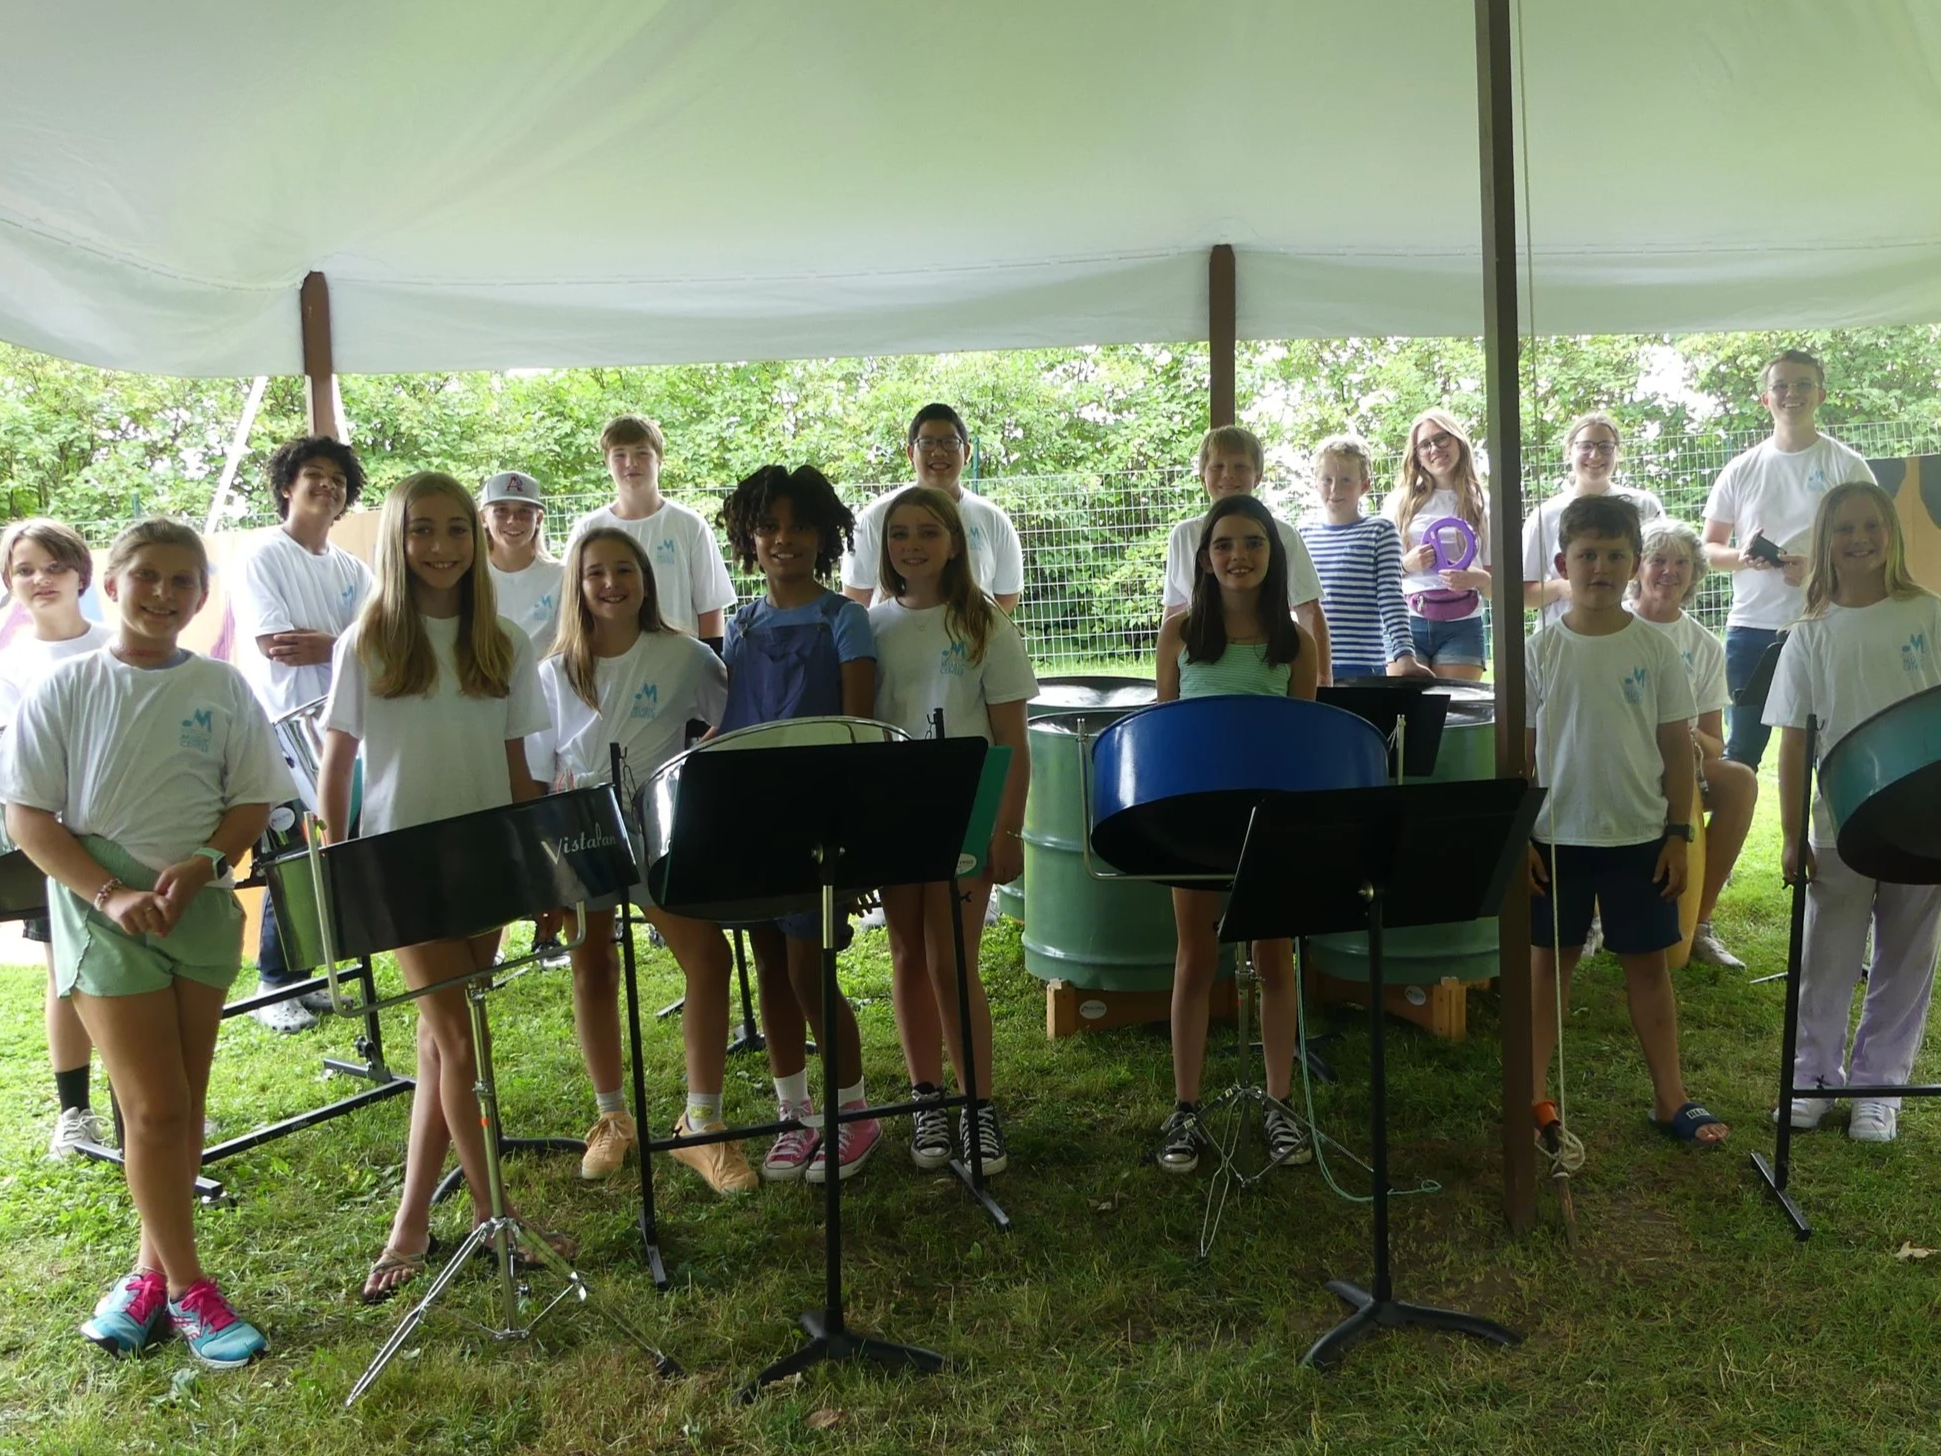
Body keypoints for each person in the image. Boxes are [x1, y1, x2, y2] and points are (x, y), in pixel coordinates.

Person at [2, 518, 289, 1367]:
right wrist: (110, 891)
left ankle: (142, 1279)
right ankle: (191, 1290)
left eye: (182, 581)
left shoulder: (224, 687)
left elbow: (251, 799)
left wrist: (205, 864)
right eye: (147, 577)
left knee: (178, 1107)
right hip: (101, 914)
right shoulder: (65, 687)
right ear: (113, 584)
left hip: (194, 910)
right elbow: (27, 816)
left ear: (201, 595)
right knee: (154, 1109)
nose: (163, 595)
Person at [317, 472, 570, 1303]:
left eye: (456, 530)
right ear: (397, 540)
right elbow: (338, 762)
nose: (441, 547)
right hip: (398, 866)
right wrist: (337, 865)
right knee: (461, 1043)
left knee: (438, 1046)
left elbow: (516, 769)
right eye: (422, 530)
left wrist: (535, 868)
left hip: (486, 861)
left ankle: (410, 1225)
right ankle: (496, 1213)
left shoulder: (500, 640)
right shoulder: (369, 641)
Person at [532, 526, 755, 1192]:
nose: (610, 583)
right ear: (578, 584)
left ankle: (701, 1125)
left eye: (623, 569)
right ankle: (611, 1119)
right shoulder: (555, 671)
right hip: (581, 832)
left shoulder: (684, 657)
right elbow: (542, 769)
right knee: (592, 964)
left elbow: (738, 720)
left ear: (645, 580)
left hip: (659, 830)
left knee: (708, 958)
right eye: (595, 572)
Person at [1525, 495, 1726, 1154]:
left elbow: (1677, 749)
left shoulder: (1658, 651)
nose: (1601, 567)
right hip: (1554, 841)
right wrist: (1520, 834)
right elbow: (1518, 754)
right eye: (1587, 555)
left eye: (1615, 555)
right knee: (1548, 966)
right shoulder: (1538, 652)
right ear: (1563, 562)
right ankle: (1529, 1095)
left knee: (1647, 968)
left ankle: (1669, 1096)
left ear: (1634, 565)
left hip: (1639, 837)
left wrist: (1679, 833)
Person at [1762, 480, 1941, 1143]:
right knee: (1827, 955)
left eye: (1871, 525)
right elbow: (1793, 741)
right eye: (1844, 529)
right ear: (1823, 542)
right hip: (1838, 823)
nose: (1859, 539)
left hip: (1922, 822)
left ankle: (1879, 1087)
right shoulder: (1809, 634)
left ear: (1890, 532)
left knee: (1905, 954)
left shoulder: (1927, 614)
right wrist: (1787, 831)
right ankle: (1813, 1078)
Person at [719, 464, 883, 1183]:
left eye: (798, 526)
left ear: (823, 535)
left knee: (806, 968)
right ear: (748, 536)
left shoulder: (845, 621)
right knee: (765, 970)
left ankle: (854, 1113)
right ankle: (794, 1113)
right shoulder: (740, 625)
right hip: (749, 819)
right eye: (768, 526)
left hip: (817, 821)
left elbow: (859, 729)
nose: (782, 539)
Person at [1150, 495, 1319, 1175]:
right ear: (1205, 557)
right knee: (1195, 958)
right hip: (1196, 818)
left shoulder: (1294, 643)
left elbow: (1307, 738)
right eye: (1223, 545)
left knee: (1274, 962)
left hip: (1271, 821)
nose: (1237, 557)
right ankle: (1185, 1109)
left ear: (1271, 556)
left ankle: (1279, 1103)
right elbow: (1163, 730)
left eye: (1252, 543)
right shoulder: (1180, 632)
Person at [869, 486, 1035, 1174]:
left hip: (966, 811)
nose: (913, 545)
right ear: (885, 547)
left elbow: (1012, 743)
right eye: (899, 533)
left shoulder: (985, 624)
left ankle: (977, 1106)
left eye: (927, 533)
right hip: (893, 814)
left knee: (952, 961)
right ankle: (925, 1099)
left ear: (954, 543)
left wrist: (1008, 830)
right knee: (906, 952)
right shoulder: (869, 627)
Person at [229, 435, 372, 1032]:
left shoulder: (354, 569)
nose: (327, 486)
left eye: (338, 480)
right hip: (281, 728)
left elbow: (376, 649)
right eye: (314, 474)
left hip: (343, 727)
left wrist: (331, 644)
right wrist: (342, 644)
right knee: (289, 854)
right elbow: (278, 646)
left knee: (331, 851)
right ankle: (273, 983)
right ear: (287, 486)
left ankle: (314, 973)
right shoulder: (263, 554)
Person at [0, 520, 116, 1158]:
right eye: (23, 570)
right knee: (64, 974)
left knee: (142, 978)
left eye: (52, 565)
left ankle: (152, 1100)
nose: (39, 579)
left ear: (80, 571)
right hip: (58, 843)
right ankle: (75, 1113)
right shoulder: (11, 666)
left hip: (132, 835)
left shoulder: (119, 644)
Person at [1702, 350, 1877, 771]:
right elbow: (1708, 550)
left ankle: (1825, 839)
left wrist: (1818, 570)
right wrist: (1744, 558)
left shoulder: (1847, 465)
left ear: (1821, 395)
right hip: (1752, 629)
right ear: (1766, 398)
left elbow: (1875, 545)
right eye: (1780, 385)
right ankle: (1736, 840)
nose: (1790, 394)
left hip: (1828, 621)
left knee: (1833, 749)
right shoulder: (1741, 469)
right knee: (1741, 753)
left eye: (1801, 385)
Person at [1628, 520, 1757, 969]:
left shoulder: (1703, 645)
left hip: (1682, 765)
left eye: (1681, 562)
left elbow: (1715, 745)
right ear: (1637, 568)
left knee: (1739, 780)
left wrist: (1682, 734)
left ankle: (1699, 922)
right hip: (1619, 766)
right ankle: (1591, 917)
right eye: (1657, 559)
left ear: (1695, 573)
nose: (1669, 571)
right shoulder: (1614, 626)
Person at [1161, 425, 1330, 682]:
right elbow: (1174, 610)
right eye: (1217, 466)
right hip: (1203, 662)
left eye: (1240, 466)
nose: (1228, 475)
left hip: (1267, 662)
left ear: (1258, 476)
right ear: (1201, 477)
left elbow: (1309, 610)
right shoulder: (1183, 536)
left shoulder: (1284, 535)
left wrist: (1322, 678)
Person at [570, 415, 736, 650]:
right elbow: (573, 605)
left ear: (659, 459)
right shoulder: (588, 530)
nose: (631, 463)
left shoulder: (689, 525)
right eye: (619, 455)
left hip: (679, 663)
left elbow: (710, 606)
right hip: (609, 664)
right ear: (607, 463)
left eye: (642, 453)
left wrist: (709, 667)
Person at [843, 403, 1025, 613]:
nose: (938, 452)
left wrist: (970, 634)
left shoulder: (993, 520)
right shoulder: (874, 518)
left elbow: (1007, 597)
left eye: (950, 442)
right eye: (927, 443)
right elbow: (855, 598)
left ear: (966, 452)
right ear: (911, 453)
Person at [1297, 434, 1431, 680]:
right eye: (1327, 480)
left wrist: (1405, 657)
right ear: (1316, 483)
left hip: (1362, 668)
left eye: (1346, 480)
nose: (1335, 489)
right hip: (1310, 666)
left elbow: (1390, 596)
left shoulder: (1380, 531)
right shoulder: (1301, 534)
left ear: (1365, 485)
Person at [1523, 412, 1665, 631]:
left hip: (1630, 632)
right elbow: (1524, 596)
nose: (1595, 455)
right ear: (1569, 451)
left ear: (1618, 452)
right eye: (1586, 446)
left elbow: (1659, 570)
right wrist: (1562, 588)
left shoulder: (1645, 505)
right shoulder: (1545, 515)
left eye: (1605, 447)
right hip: (1563, 635)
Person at [1388, 409, 1493, 682]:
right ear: (1416, 455)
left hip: (1463, 625)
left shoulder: (1483, 502)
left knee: (1453, 714)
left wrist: (1477, 578)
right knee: (1402, 715)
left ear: (1458, 440)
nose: (1435, 449)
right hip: (1406, 624)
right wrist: (1405, 564)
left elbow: (1498, 586)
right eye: (1425, 444)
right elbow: (1376, 576)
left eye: (1442, 439)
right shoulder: (1397, 503)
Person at [480, 470, 564, 656]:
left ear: (539, 519)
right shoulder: (471, 577)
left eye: (524, 511)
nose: (513, 520)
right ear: (483, 518)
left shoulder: (561, 576)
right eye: (501, 510)